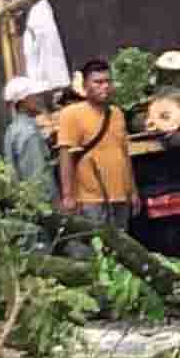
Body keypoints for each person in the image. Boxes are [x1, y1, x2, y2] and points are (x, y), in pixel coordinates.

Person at [57, 58, 140, 247]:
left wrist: (133, 191)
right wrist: (68, 196)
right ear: (85, 86)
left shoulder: (117, 113)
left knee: (122, 249)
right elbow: (66, 156)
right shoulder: (71, 114)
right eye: (98, 82)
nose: (105, 87)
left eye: (108, 81)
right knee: (97, 249)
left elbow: (124, 155)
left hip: (120, 196)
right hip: (90, 199)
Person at [1, 76, 58, 204]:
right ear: (24, 101)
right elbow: (39, 179)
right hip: (40, 204)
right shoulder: (29, 134)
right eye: (35, 96)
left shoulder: (12, 129)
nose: (39, 99)